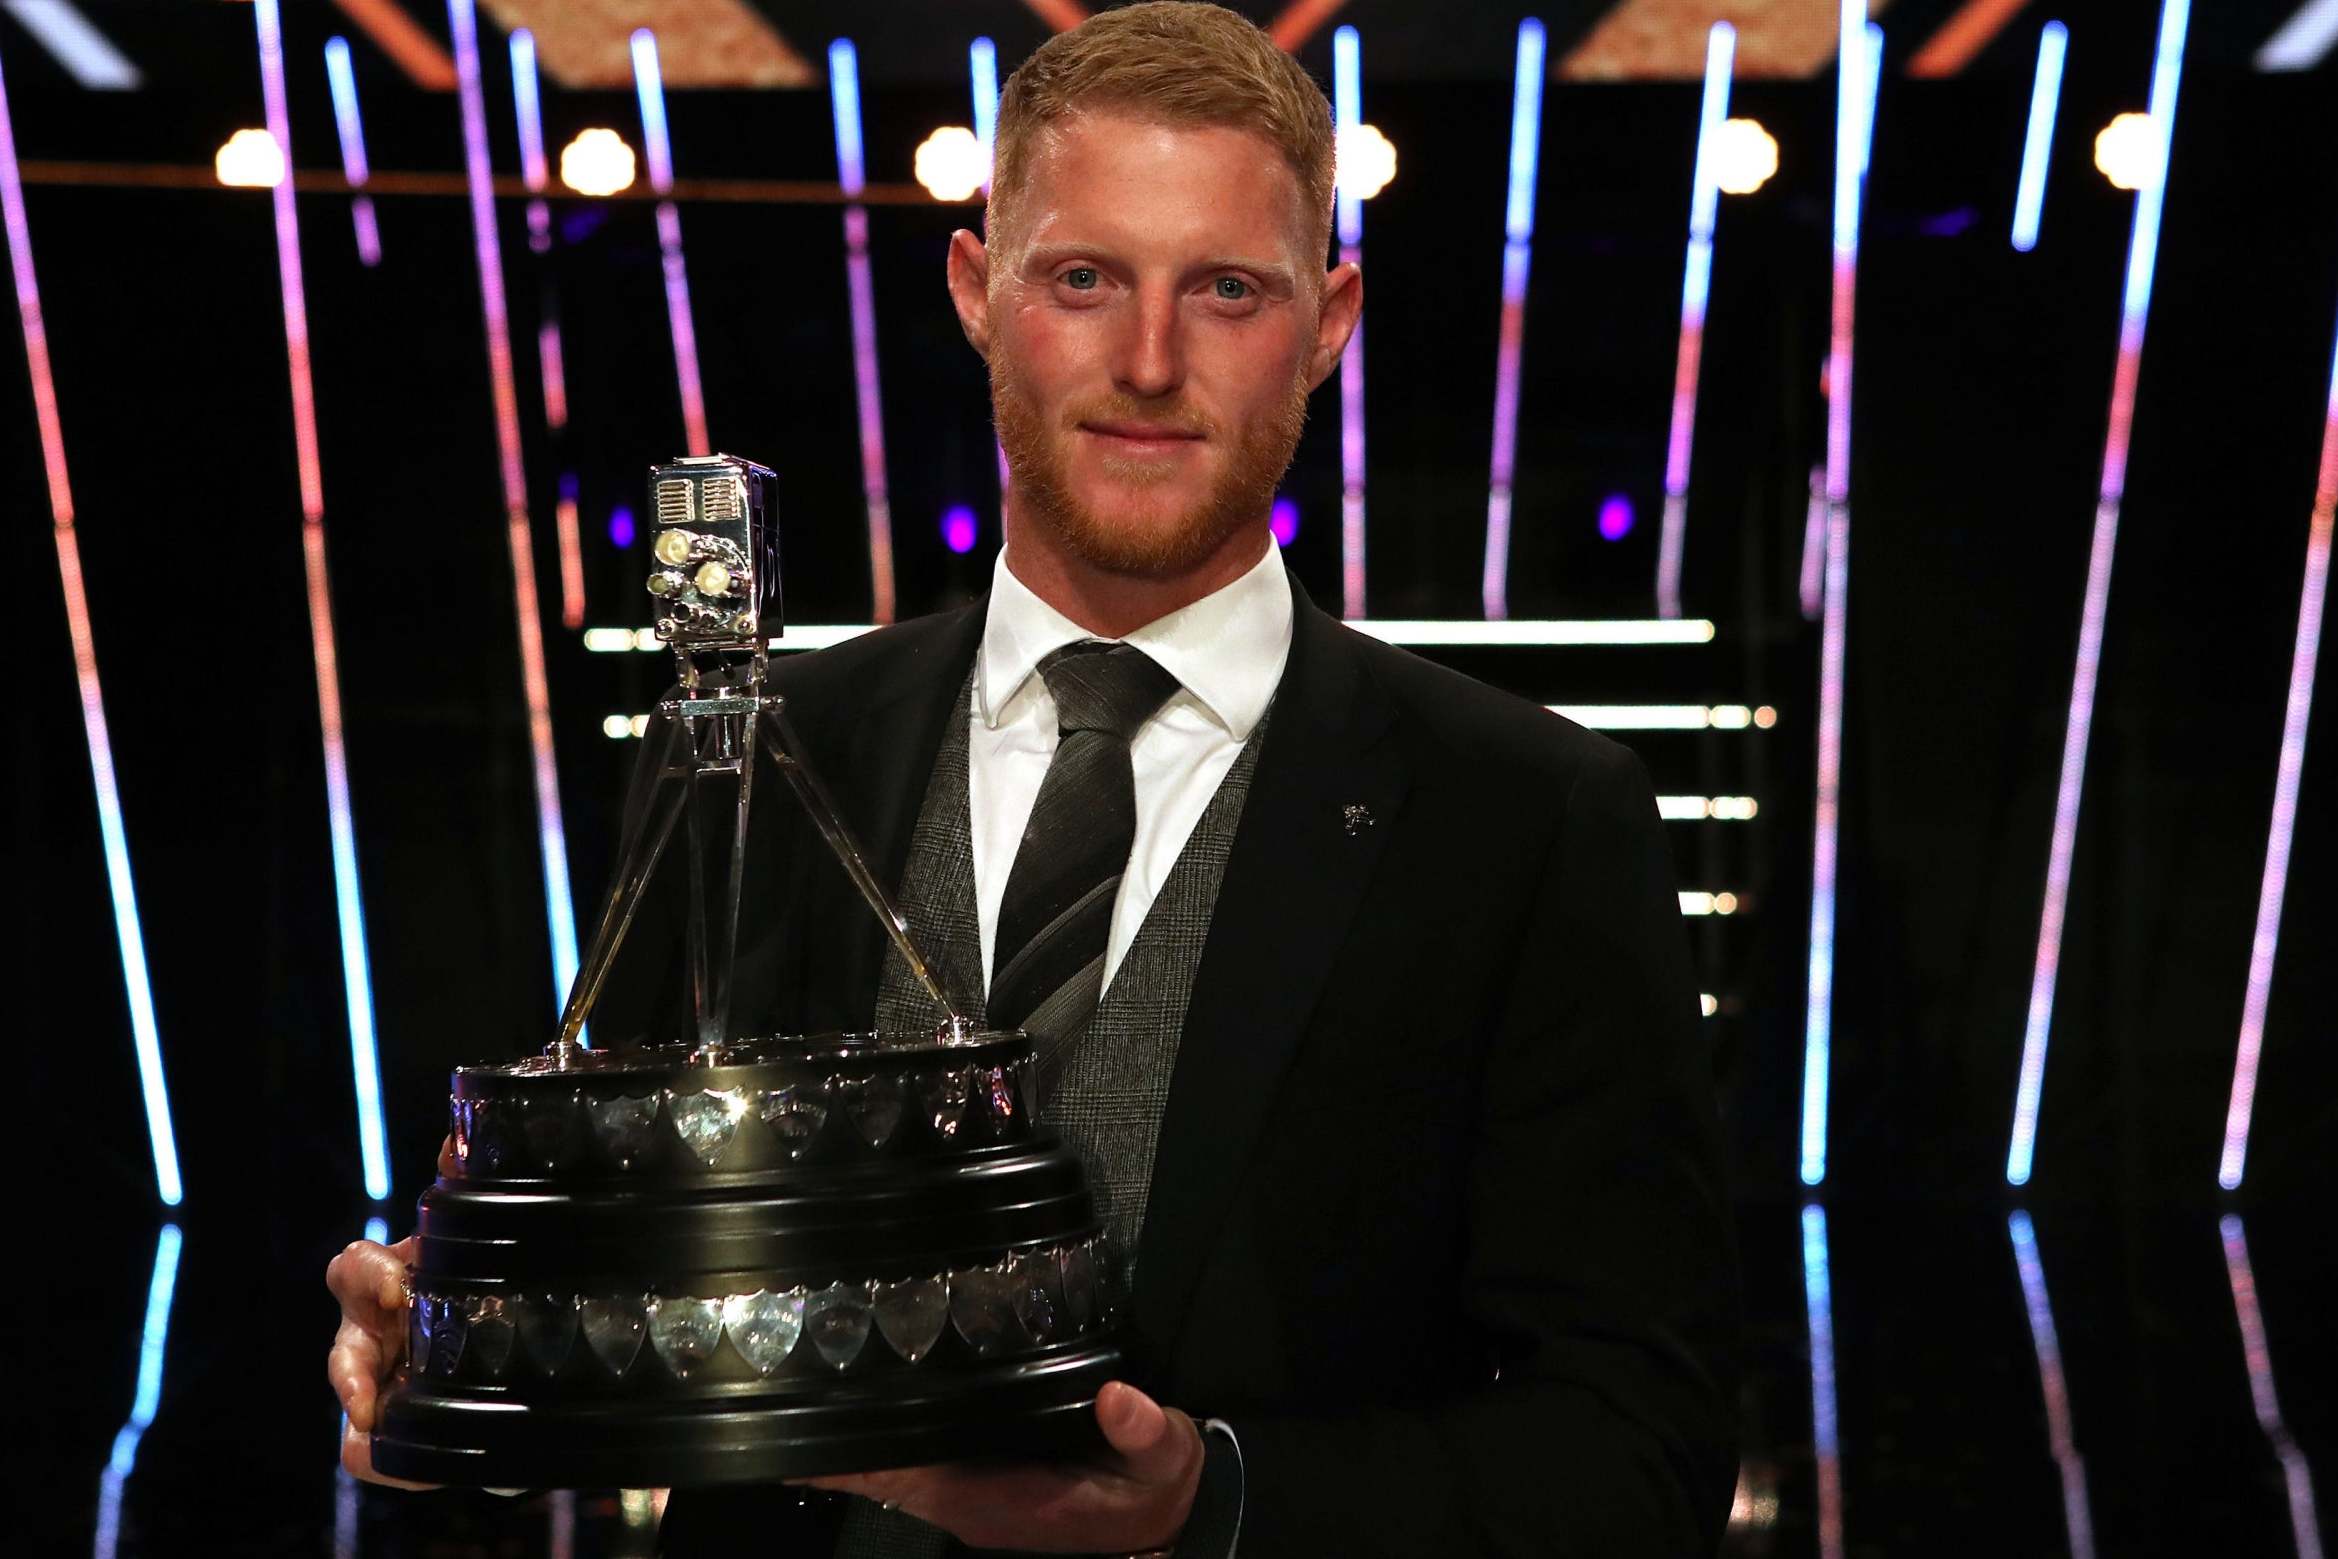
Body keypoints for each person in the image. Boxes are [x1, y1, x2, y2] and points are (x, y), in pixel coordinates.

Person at [329, 5, 1739, 1553]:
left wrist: (1213, 1501)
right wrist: (453, 1348)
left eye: (1225, 290)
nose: (1148, 362)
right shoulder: (755, 751)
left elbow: (1633, 1452)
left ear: (1327, 322)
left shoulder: (1524, 816)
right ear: (975, 292)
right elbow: (646, 1288)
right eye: (1083, 278)